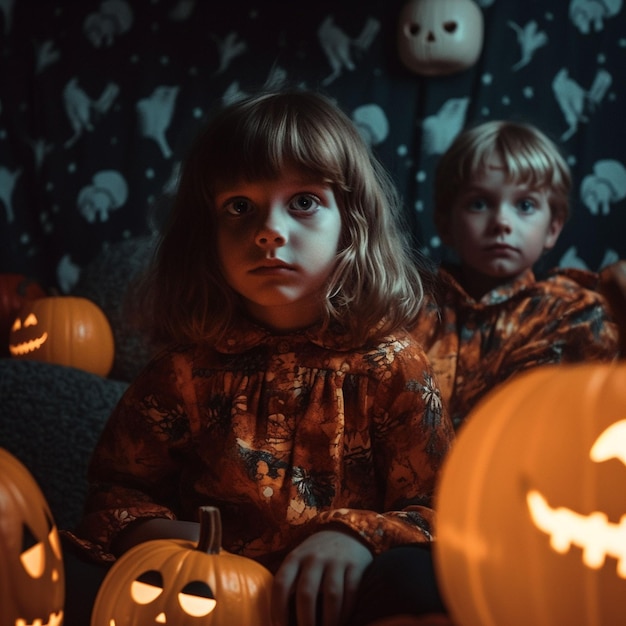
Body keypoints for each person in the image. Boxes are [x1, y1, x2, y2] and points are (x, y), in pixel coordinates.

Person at [61, 88, 455, 626]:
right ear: (207, 235)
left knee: (419, 581)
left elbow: (441, 508)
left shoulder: (392, 363)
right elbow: (116, 491)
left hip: (334, 601)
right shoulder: (181, 370)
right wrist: (153, 532)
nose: (269, 232)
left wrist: (356, 536)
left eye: (303, 202)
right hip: (206, 600)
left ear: (351, 223)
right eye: (239, 207)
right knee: (51, 571)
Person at [411, 119, 619, 429]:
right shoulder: (411, 305)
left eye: (524, 205)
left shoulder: (572, 313)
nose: (502, 223)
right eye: (479, 204)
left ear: (552, 228)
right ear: (445, 224)